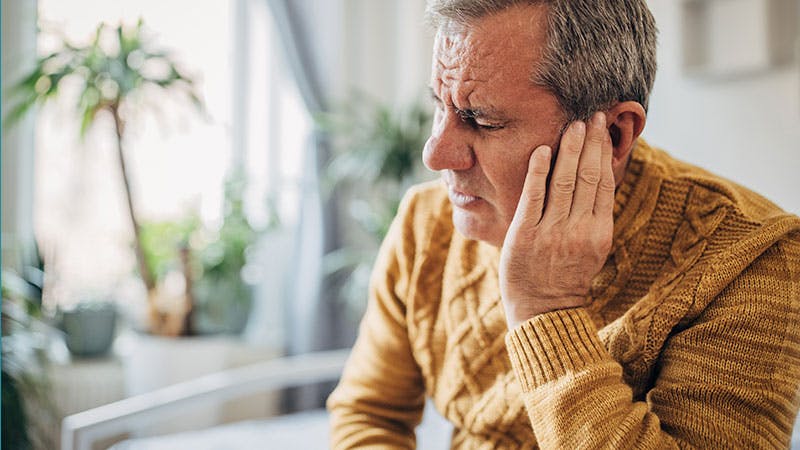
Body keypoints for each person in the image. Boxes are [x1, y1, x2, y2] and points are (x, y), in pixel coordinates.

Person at [327, 0, 800, 448]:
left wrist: (545, 309)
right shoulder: (425, 223)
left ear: (614, 135)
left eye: (482, 120)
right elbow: (368, 412)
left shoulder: (753, 260)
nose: (434, 153)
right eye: (439, 105)